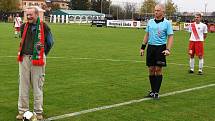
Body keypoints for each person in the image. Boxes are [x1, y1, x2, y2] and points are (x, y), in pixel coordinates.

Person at [16, 6, 54, 120]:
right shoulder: (23, 26)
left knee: (37, 85)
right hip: (24, 59)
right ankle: (23, 111)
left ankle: (38, 112)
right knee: (23, 85)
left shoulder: (44, 26)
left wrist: (42, 55)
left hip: (38, 59)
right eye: (27, 15)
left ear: (37, 15)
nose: (28, 17)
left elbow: (50, 42)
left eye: (31, 14)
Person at [140, 4, 174, 99]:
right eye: (155, 10)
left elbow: (170, 36)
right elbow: (147, 34)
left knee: (158, 69)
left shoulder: (167, 23)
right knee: (151, 69)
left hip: (160, 48)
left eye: (158, 10)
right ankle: (152, 91)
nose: (156, 12)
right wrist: (143, 47)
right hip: (151, 48)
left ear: (163, 12)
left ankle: (156, 92)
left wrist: (168, 49)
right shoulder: (150, 22)